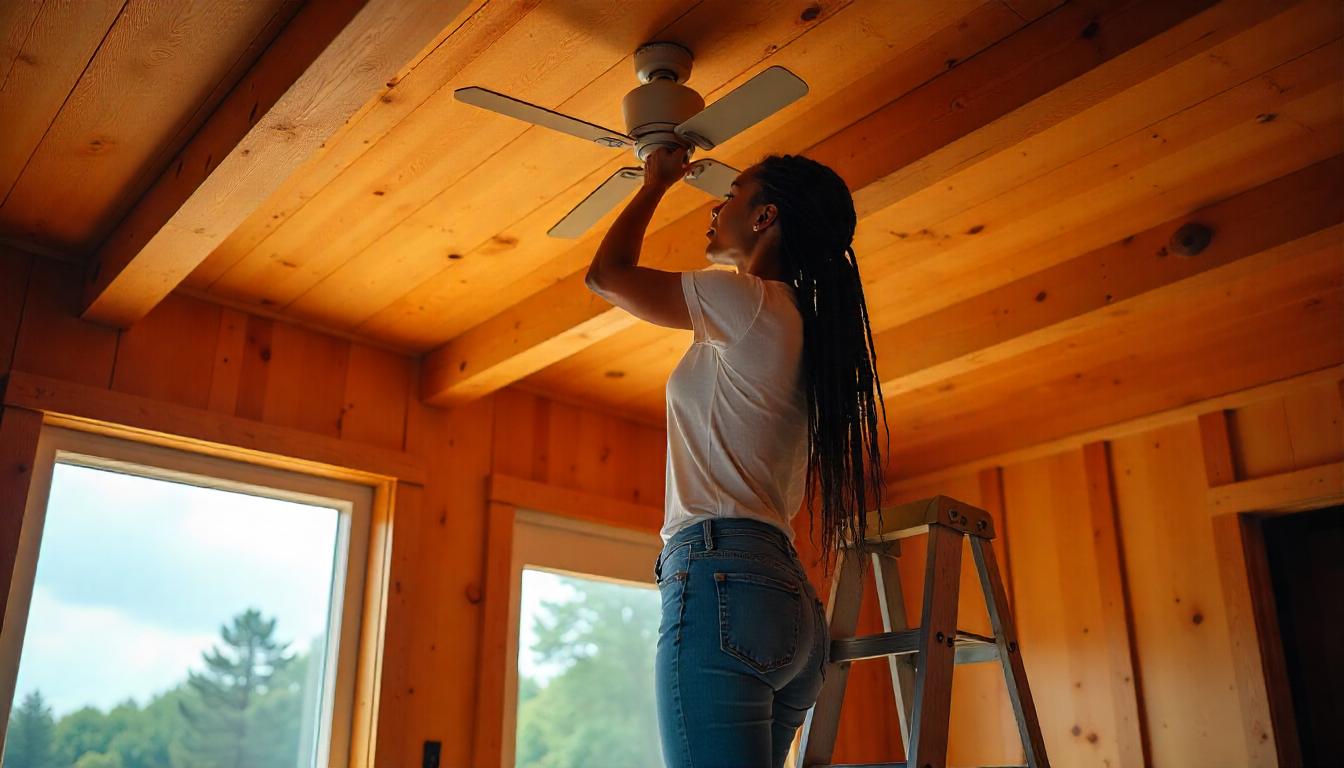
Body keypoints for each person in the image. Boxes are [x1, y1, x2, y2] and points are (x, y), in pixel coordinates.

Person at [584, 144, 889, 767]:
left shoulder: (748, 301)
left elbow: (606, 276)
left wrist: (655, 181)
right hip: (785, 603)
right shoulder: (801, 325)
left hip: (725, 580)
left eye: (731, 196)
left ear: (763, 217)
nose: (716, 208)